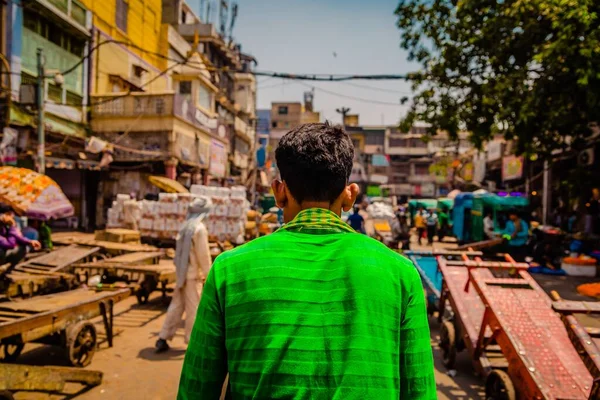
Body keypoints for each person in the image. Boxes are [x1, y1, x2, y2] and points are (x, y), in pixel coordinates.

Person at [178, 123, 436, 399]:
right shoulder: (401, 273)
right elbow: (419, 390)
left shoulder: (228, 270)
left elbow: (196, 387)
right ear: (350, 195)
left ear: (279, 191)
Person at [156, 197, 213, 353]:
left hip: (181, 275)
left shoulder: (185, 227)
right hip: (193, 276)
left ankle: (163, 337)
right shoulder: (199, 229)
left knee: (176, 306)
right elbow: (203, 256)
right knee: (194, 310)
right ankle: (192, 342)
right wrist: (209, 275)